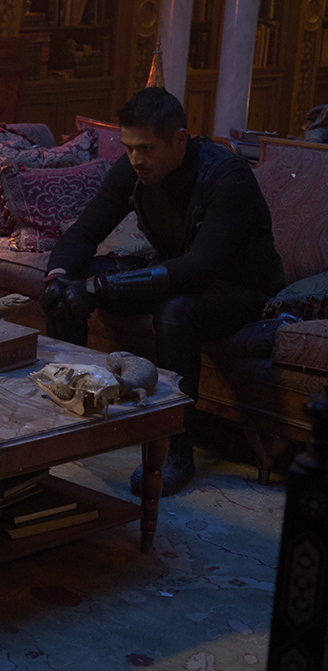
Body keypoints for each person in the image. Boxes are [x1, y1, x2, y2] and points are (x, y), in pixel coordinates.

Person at [40, 86, 285, 496]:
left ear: (180, 139)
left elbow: (202, 266)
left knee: (174, 311)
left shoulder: (227, 175)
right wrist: (57, 276)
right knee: (65, 292)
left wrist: (99, 288)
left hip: (243, 289)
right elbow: (85, 230)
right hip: (179, 275)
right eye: (129, 147)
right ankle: (73, 414)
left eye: (147, 148)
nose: (136, 158)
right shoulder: (134, 170)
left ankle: (175, 451)